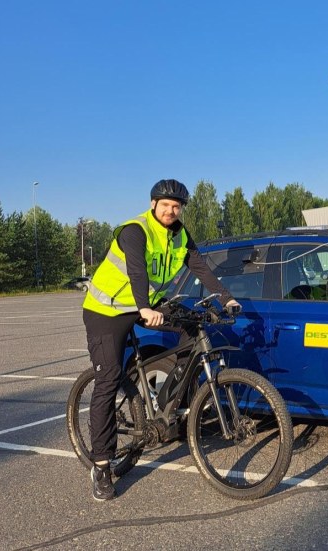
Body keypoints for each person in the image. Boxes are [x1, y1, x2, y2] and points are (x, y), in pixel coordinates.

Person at [82, 179, 240, 501]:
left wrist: (226, 298)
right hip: (107, 310)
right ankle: (101, 465)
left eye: (176, 206)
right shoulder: (135, 230)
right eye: (165, 204)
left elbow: (200, 267)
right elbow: (137, 270)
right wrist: (143, 307)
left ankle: (169, 402)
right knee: (108, 379)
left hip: (146, 305)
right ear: (153, 204)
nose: (171, 210)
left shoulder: (180, 235)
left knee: (191, 328)